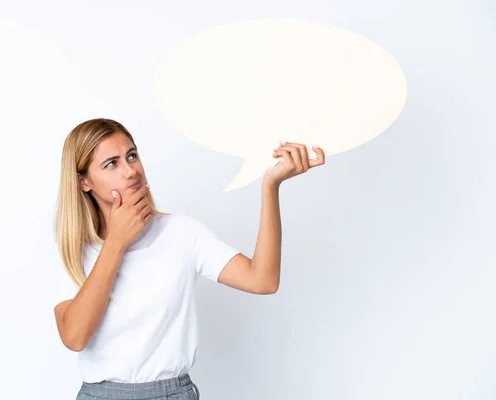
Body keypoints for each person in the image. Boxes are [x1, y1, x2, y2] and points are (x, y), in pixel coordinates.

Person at [53, 118, 325, 400]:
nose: (130, 171)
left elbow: (263, 280)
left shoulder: (181, 233)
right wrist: (116, 243)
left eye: (132, 156)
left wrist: (270, 186)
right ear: (84, 182)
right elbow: (74, 337)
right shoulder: (75, 251)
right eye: (112, 164)